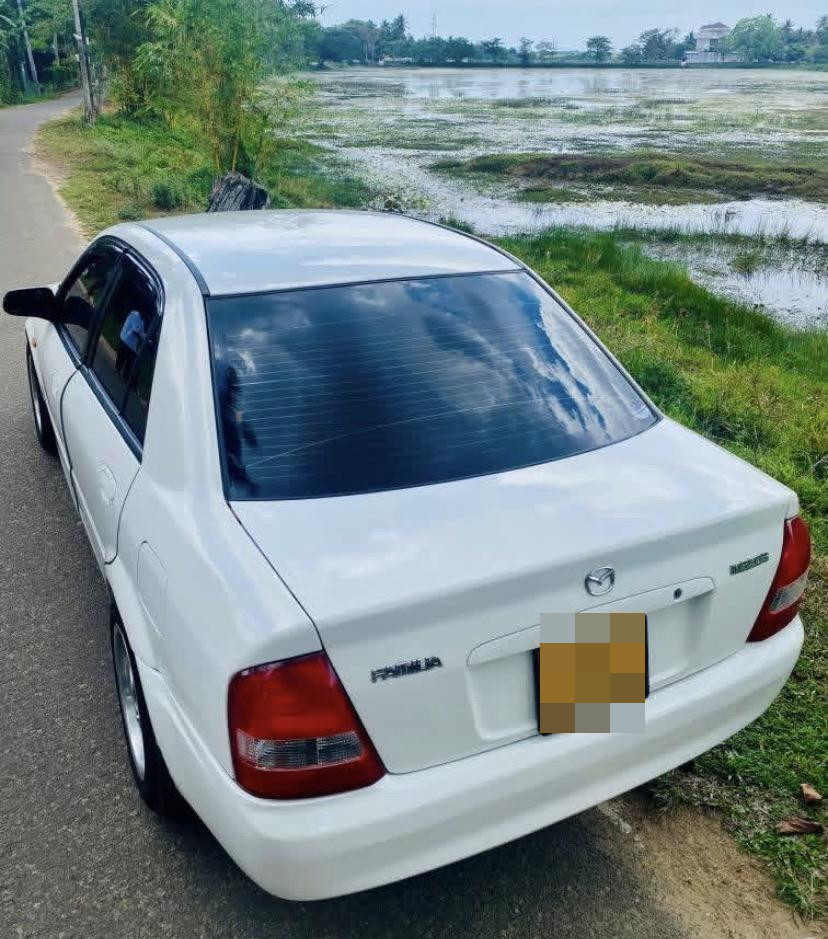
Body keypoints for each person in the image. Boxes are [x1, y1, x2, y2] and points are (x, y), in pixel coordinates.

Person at [116, 308, 146, 379]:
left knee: (129, 361)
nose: (145, 315)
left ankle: (124, 376)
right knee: (122, 357)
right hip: (126, 340)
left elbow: (141, 333)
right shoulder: (135, 315)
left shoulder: (142, 320)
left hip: (132, 345)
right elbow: (136, 331)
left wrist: (147, 338)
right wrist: (142, 336)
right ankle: (118, 371)